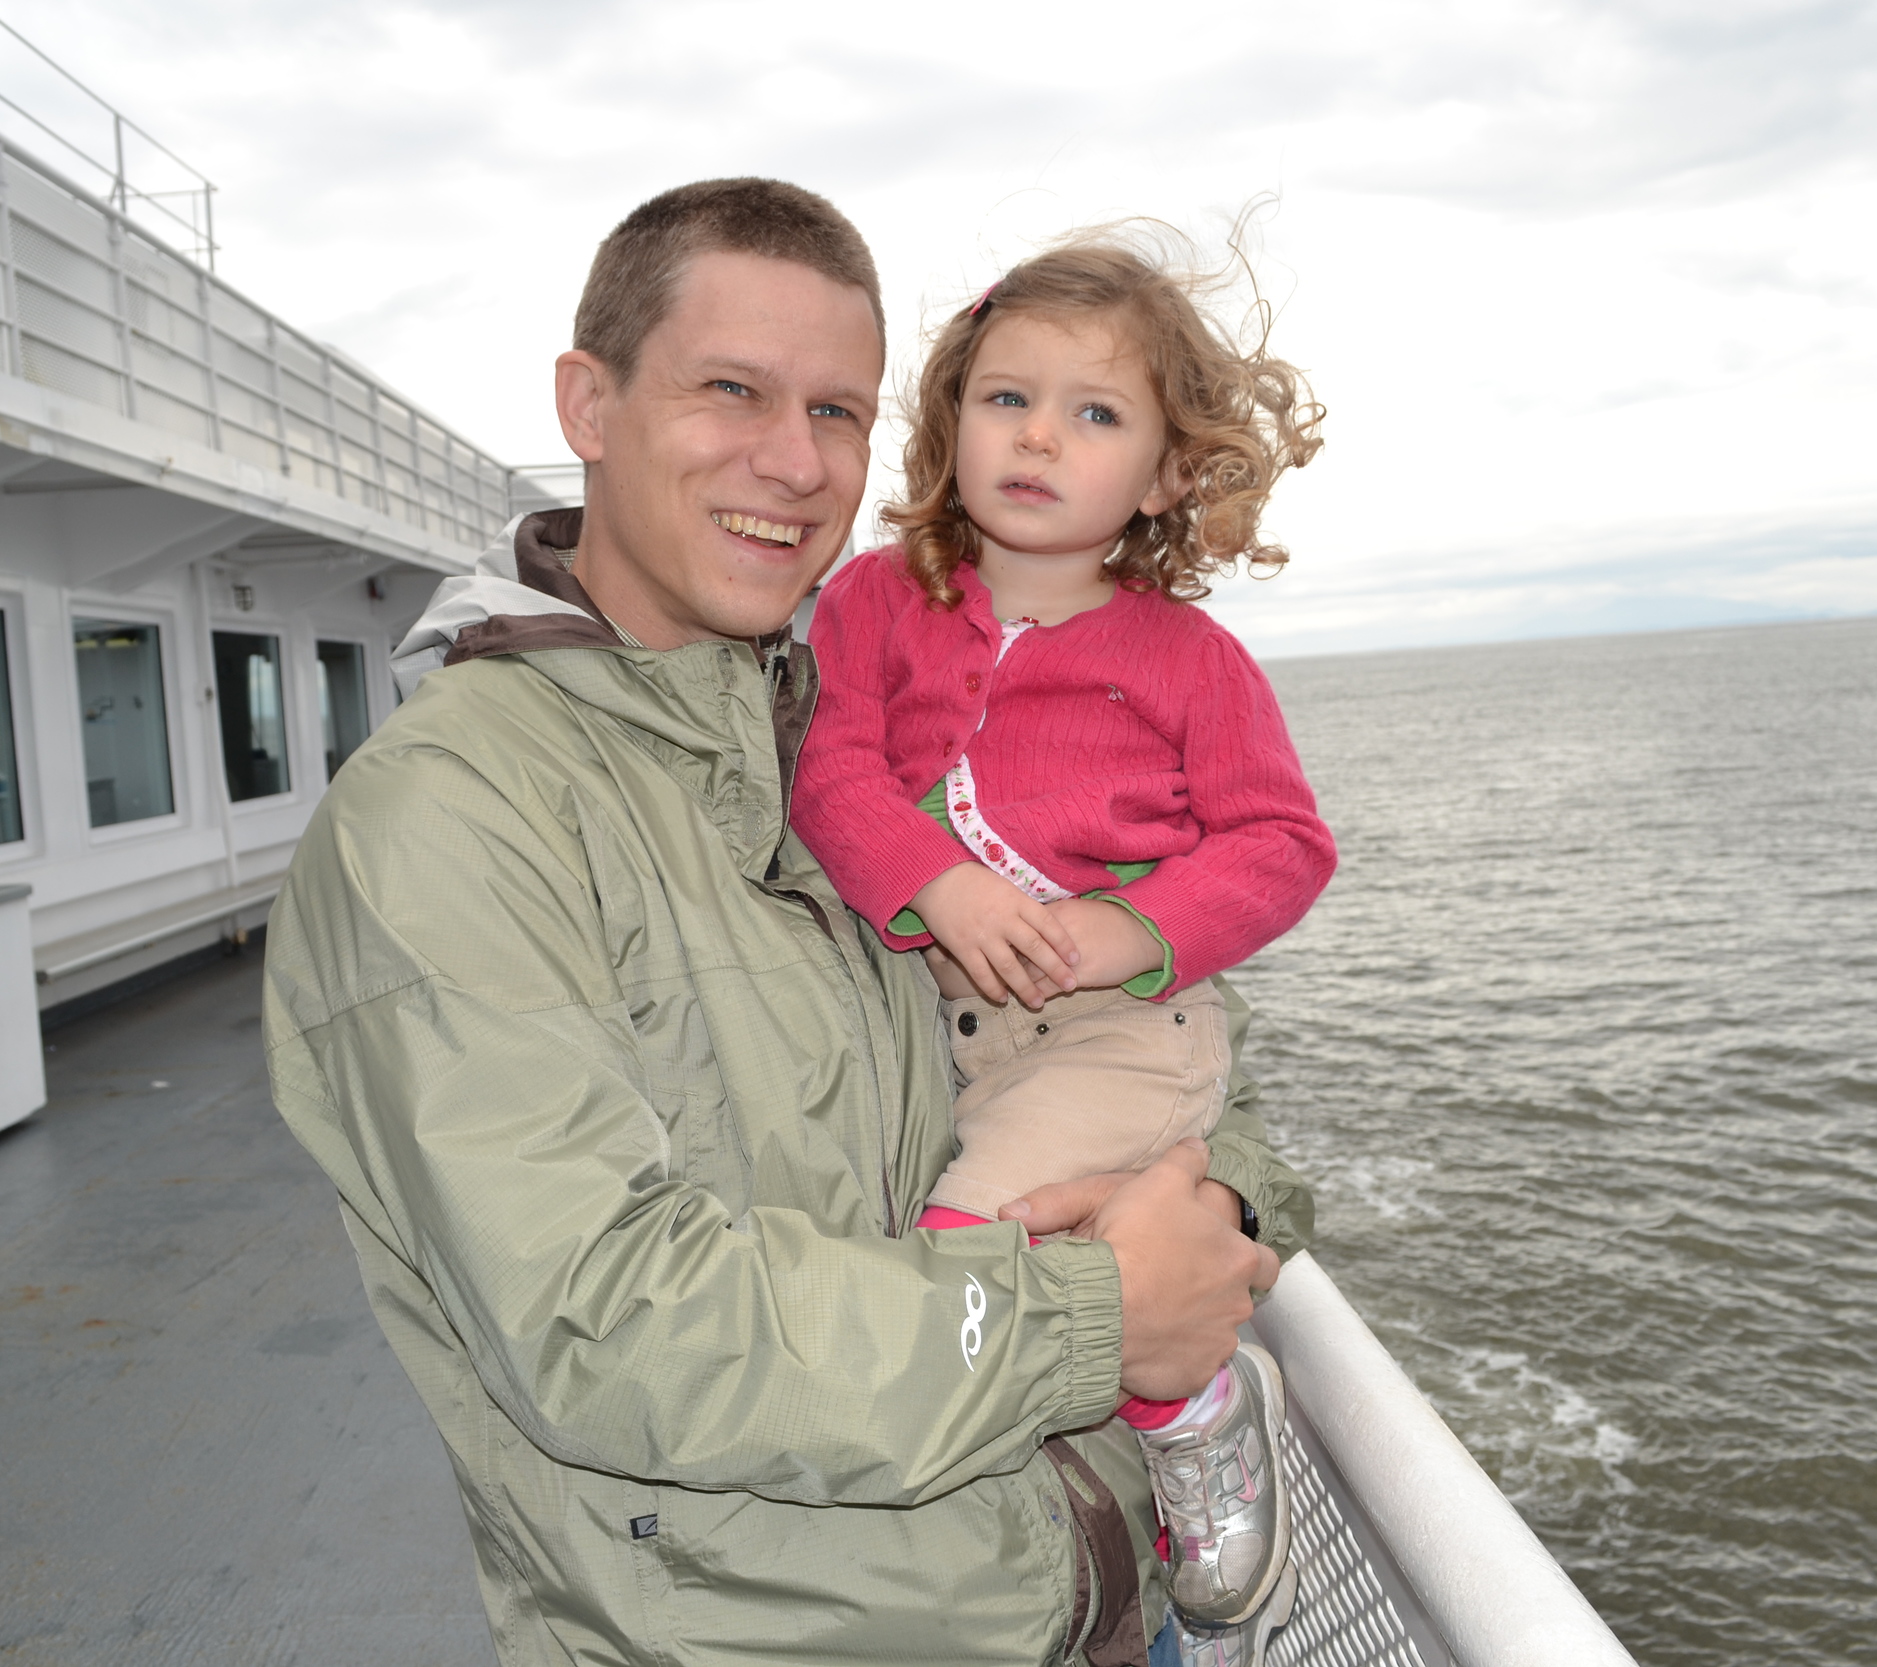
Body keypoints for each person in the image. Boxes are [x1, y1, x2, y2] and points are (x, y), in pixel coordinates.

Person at [263, 178, 1310, 1667]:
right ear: (591, 402)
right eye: (732, 391)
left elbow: (1170, 1055)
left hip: (1092, 1608)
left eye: (836, 411)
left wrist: (1223, 1225)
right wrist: (1100, 1311)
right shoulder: (448, 818)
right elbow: (602, 1328)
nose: (793, 460)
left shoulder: (841, 743)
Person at [789, 232, 1333, 1657]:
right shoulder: (870, 604)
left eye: (1096, 415)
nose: (1040, 437)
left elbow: (1281, 846)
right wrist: (940, 888)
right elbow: (830, 775)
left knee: (964, 1250)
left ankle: (1187, 1409)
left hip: (1116, 1034)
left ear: (1162, 476)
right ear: (952, 418)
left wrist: (1125, 932)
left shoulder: (1190, 659)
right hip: (934, 1018)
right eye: (1007, 399)